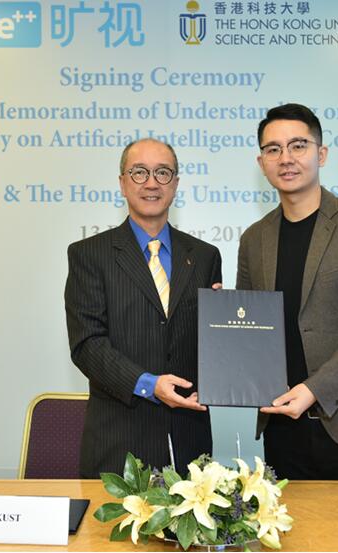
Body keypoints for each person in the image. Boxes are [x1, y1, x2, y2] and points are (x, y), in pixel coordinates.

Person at [237, 103, 338, 480]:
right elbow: (251, 325)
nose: (286, 158)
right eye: (273, 149)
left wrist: (315, 389)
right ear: (262, 162)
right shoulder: (254, 239)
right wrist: (222, 315)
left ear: (321, 154)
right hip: (282, 425)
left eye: (298, 146)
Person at [65, 138, 222, 478]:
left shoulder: (204, 256)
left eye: (163, 173)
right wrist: (148, 384)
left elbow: (209, 349)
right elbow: (87, 345)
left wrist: (225, 323)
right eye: (139, 172)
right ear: (122, 183)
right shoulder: (89, 255)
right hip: (118, 444)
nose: (152, 183)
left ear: (175, 184)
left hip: (189, 444)